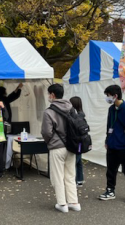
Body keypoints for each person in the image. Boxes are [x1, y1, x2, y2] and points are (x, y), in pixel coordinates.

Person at [41, 84, 81, 213]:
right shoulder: (71, 108)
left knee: (58, 176)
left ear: (52, 94)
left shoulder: (48, 112)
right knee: (70, 175)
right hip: (71, 146)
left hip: (56, 147)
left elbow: (46, 132)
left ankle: (62, 204)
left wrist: (50, 142)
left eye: (49, 94)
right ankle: (74, 202)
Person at [99, 84, 125, 203]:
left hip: (124, 146)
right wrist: (107, 140)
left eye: (108, 95)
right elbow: (109, 126)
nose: (107, 97)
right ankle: (110, 190)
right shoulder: (111, 109)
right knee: (111, 169)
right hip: (112, 145)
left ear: (115, 96)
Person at [69, 96, 85, 187]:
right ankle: (80, 179)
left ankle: (74, 180)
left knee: (75, 161)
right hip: (81, 141)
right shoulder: (81, 114)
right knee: (79, 162)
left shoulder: (76, 116)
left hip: (77, 141)